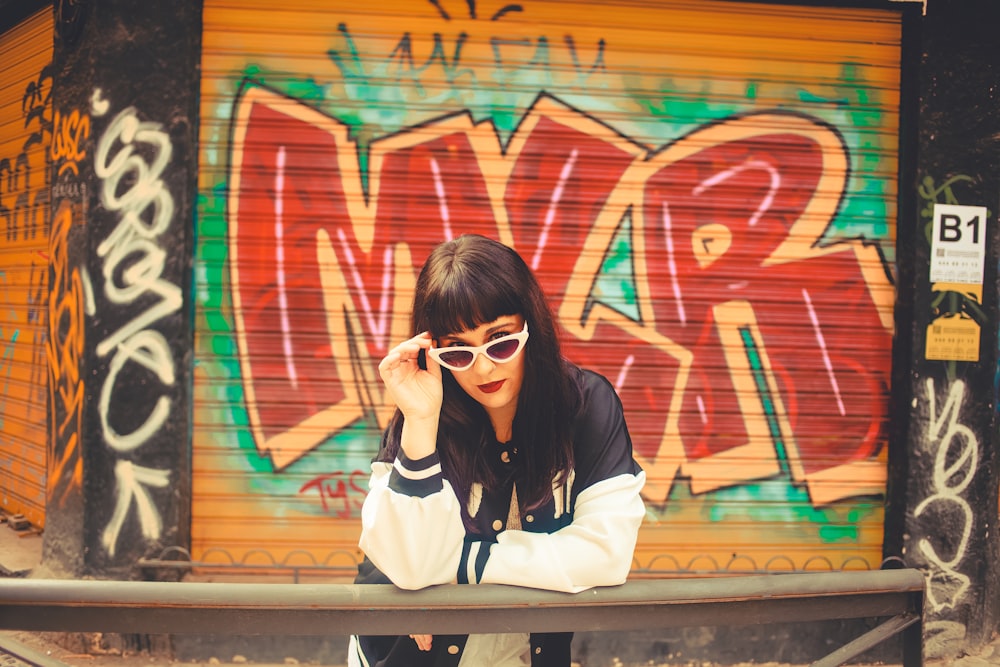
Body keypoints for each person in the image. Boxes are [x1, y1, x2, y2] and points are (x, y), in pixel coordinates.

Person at [348, 234, 646, 667]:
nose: (484, 367)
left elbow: (607, 554)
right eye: (458, 351)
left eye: (500, 341)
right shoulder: (422, 413)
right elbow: (409, 566)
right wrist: (421, 420)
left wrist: (461, 563)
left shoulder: (584, 407)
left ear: (531, 328)